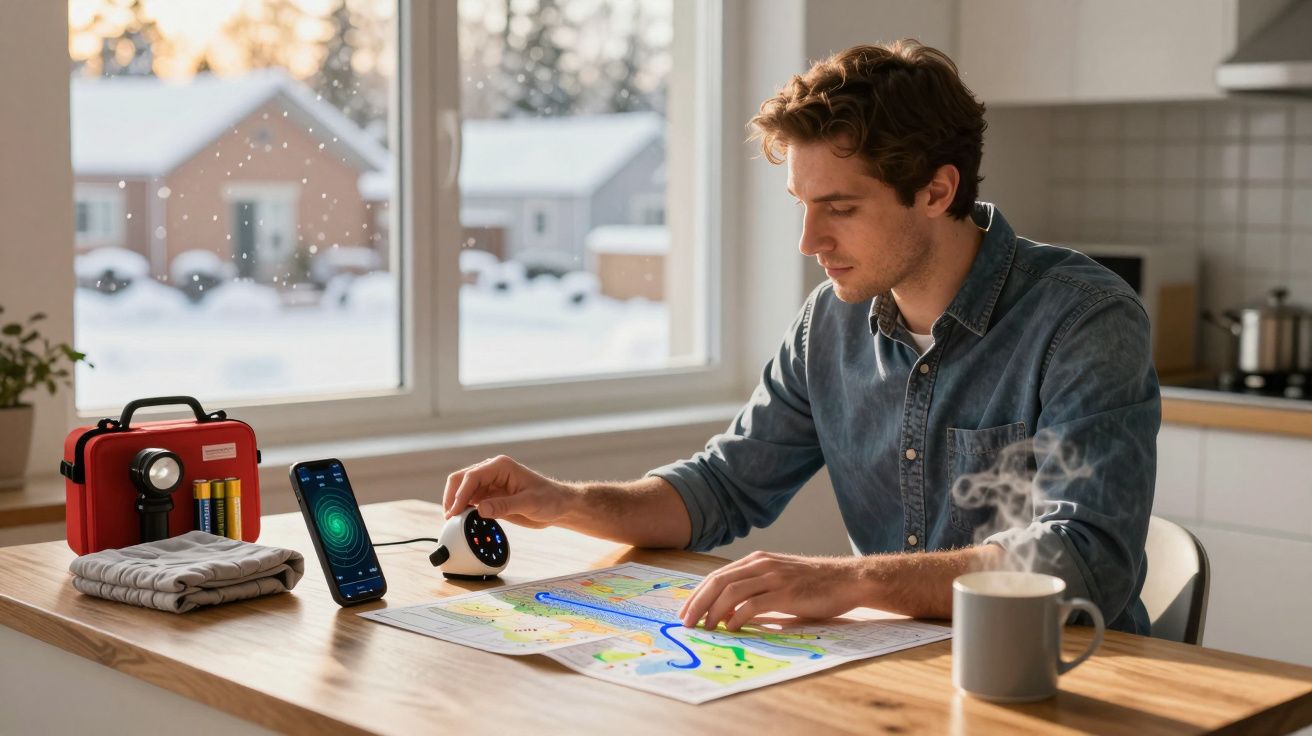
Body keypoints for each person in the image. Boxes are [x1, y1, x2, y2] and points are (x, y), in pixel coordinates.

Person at [443, 40, 1159, 635]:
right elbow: (720, 490)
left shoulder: (1083, 319)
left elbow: (1084, 557)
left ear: (938, 192)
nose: (809, 241)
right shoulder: (830, 322)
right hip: (898, 675)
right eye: (802, 206)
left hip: (1068, 678)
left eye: (840, 208)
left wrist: (845, 581)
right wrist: (563, 502)